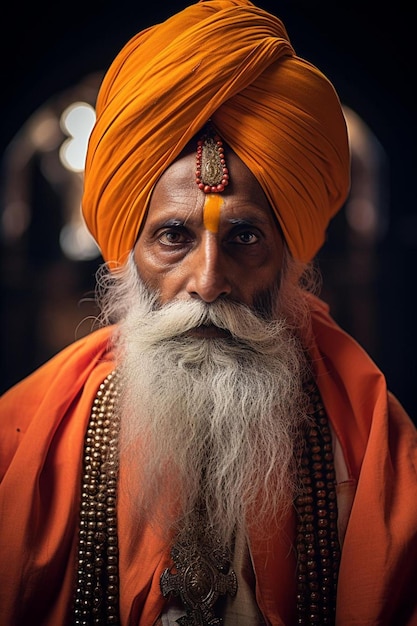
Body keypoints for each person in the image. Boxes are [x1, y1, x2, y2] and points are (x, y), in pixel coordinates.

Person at [1, 0, 416, 624]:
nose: (208, 280)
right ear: (126, 254)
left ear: (289, 260)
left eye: (245, 237)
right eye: (173, 237)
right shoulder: (26, 436)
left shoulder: (367, 442)